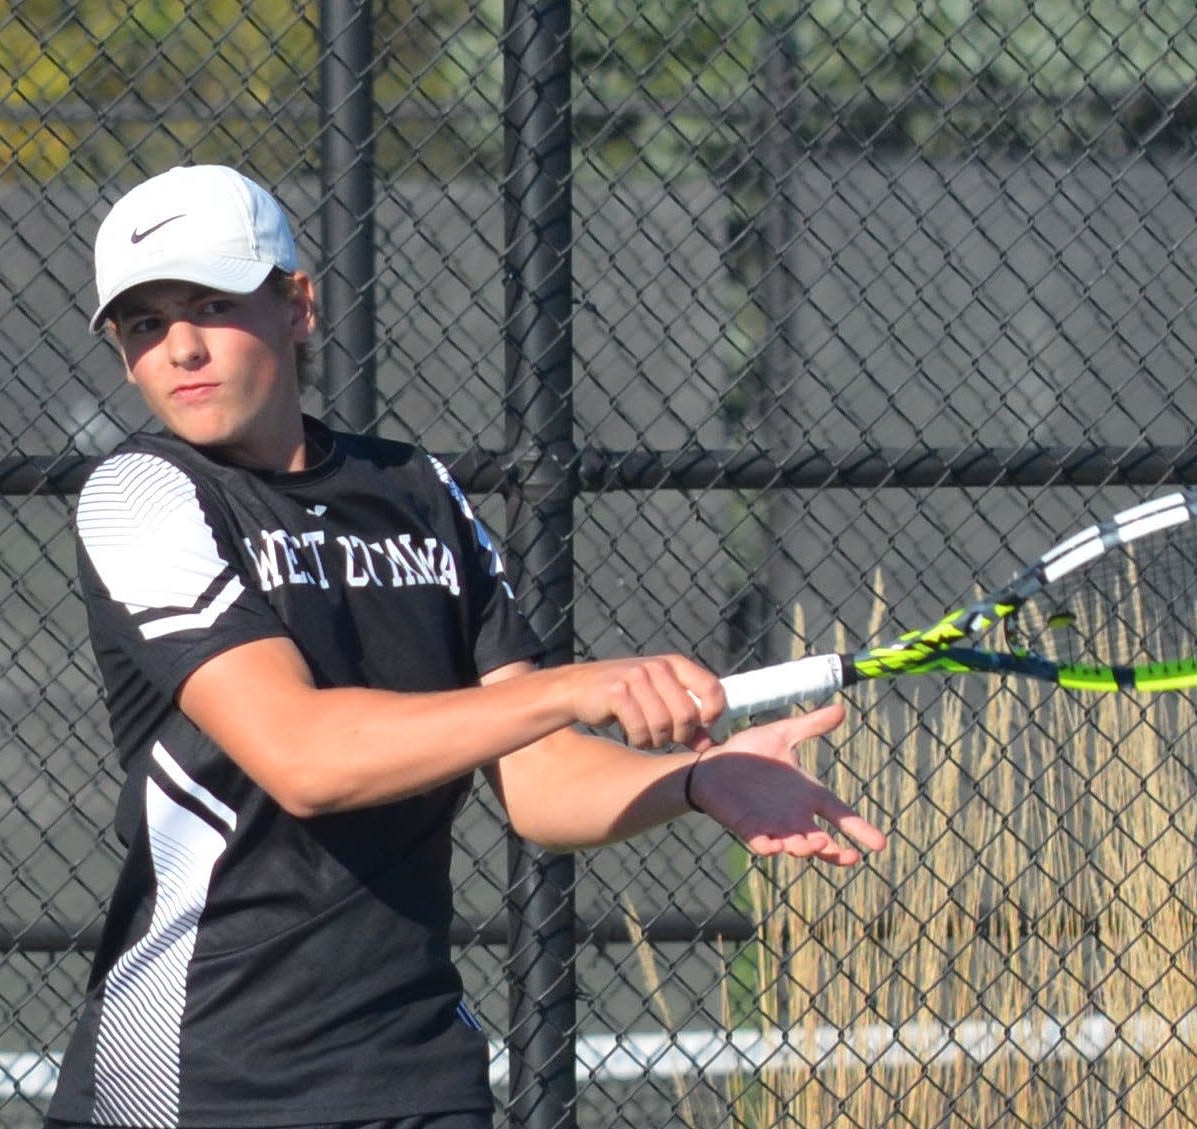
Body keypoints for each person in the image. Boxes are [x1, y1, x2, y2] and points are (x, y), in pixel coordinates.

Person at [44, 163, 887, 1129]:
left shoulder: (416, 492)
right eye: (144, 325)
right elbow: (306, 757)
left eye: (210, 303)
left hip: (418, 1074)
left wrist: (692, 782)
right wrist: (571, 687)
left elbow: (539, 781)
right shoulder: (143, 494)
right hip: (195, 1080)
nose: (181, 348)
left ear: (297, 305)